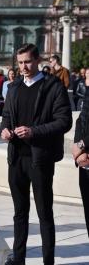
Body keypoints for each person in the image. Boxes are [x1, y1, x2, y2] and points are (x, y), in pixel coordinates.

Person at [1, 43, 72, 265]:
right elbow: (6, 115)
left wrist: (33, 131)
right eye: (20, 62)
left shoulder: (53, 86)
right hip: (16, 158)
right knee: (19, 213)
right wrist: (5, 128)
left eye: (28, 62)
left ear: (38, 60)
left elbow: (64, 121)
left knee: (44, 213)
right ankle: (19, 258)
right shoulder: (13, 87)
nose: (23, 67)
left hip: (39, 158)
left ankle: (48, 261)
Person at [72, 82, 89, 239]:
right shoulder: (86, 96)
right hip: (85, 164)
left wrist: (82, 145)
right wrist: (78, 150)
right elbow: (80, 121)